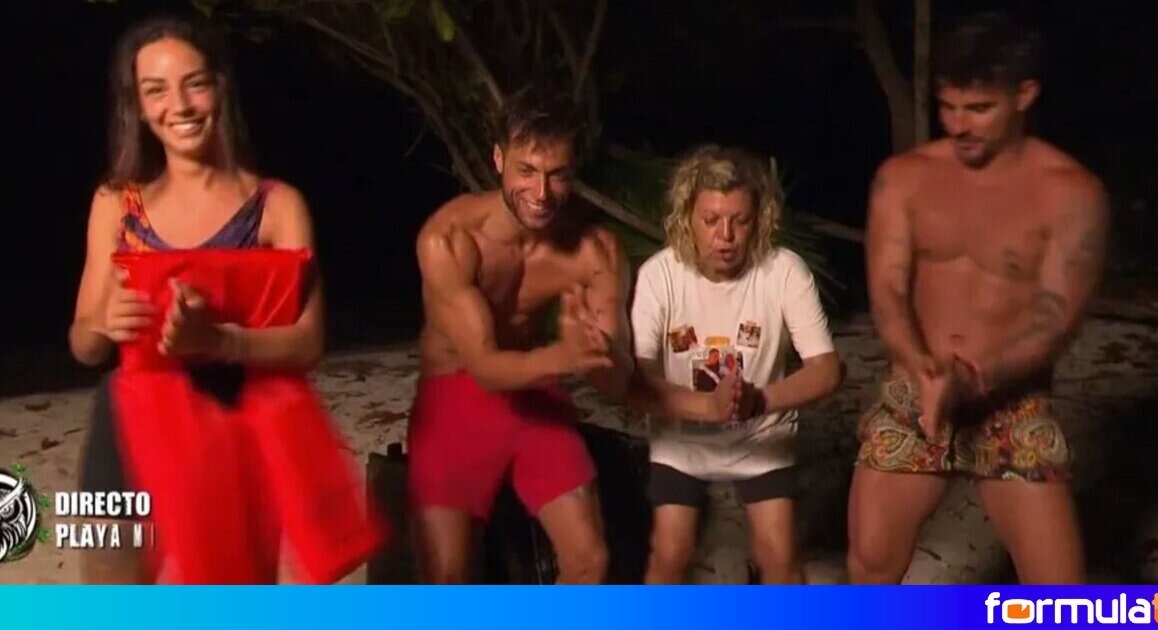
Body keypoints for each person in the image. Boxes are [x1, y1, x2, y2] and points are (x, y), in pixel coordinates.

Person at [68, 15, 359, 583]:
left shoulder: (277, 206)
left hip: (238, 424)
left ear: (221, 88)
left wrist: (220, 341)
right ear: (137, 106)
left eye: (195, 83)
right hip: (126, 428)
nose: (179, 105)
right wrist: (103, 321)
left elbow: (308, 344)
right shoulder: (116, 202)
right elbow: (83, 345)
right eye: (156, 90)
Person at [848, 10, 1109, 585]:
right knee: (869, 564)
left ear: (1024, 95)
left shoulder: (1072, 193)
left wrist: (973, 378)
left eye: (979, 108)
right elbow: (887, 291)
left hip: (1011, 401)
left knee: (1060, 592)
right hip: (916, 385)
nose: (958, 124)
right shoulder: (903, 178)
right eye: (948, 107)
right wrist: (921, 366)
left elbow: (1054, 320)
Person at [409, 86, 633, 584]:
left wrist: (601, 352)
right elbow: (485, 368)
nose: (541, 192)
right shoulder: (449, 239)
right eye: (526, 170)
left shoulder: (596, 252)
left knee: (590, 562)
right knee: (446, 580)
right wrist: (567, 356)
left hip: (534, 395)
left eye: (557, 174)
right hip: (454, 397)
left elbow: (616, 381)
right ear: (498, 160)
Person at [626, 145, 842, 584]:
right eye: (711, 220)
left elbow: (826, 369)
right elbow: (638, 380)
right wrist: (707, 407)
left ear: (759, 219)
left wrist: (759, 401)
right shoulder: (658, 275)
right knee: (670, 553)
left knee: (778, 557)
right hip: (681, 441)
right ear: (687, 218)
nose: (725, 235)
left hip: (761, 438)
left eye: (739, 220)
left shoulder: (784, 271)